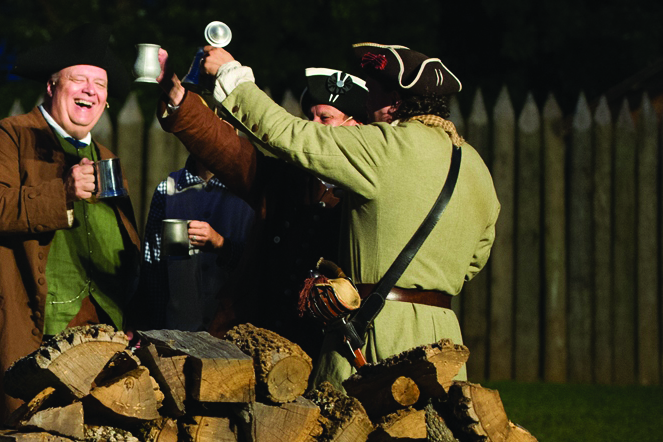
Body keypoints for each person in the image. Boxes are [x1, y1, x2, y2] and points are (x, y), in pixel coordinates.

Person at [199, 42, 500, 387]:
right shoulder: (477, 167)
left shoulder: (383, 145)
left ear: (394, 103)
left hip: (373, 338)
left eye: (372, 92)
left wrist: (232, 76)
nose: (367, 103)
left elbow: (294, 137)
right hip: (445, 342)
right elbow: (474, 262)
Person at [0, 24, 140, 442]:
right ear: (52, 85)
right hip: (20, 318)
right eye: (79, 79)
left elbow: (122, 244)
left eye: (100, 84)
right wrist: (62, 191)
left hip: (96, 329)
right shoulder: (9, 136)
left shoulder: (108, 159)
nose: (90, 91)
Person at [155, 62, 370, 354]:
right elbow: (228, 150)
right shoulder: (283, 179)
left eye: (326, 118)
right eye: (310, 117)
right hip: (256, 342)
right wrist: (181, 102)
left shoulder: (367, 198)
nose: (312, 126)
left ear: (355, 127)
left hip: (326, 352)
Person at [138, 153, 255, 331]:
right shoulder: (166, 190)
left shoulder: (251, 190)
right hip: (178, 334)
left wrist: (223, 246)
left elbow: (262, 267)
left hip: (233, 339)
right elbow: (154, 272)